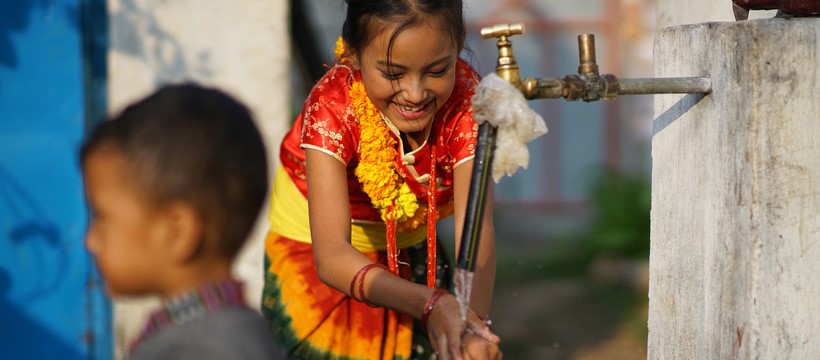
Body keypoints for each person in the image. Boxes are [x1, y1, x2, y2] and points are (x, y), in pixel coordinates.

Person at [260, 1, 501, 359]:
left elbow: (475, 230)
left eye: (436, 70)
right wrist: (431, 302)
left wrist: (472, 328)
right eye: (393, 74)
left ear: (459, 44)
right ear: (354, 55)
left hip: (410, 242)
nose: (415, 94)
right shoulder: (331, 108)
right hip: (315, 248)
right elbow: (331, 257)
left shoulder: (469, 102)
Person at [80, 84, 285, 360]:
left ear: (176, 232)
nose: (90, 240)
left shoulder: (200, 351)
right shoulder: (249, 336)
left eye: (102, 218)